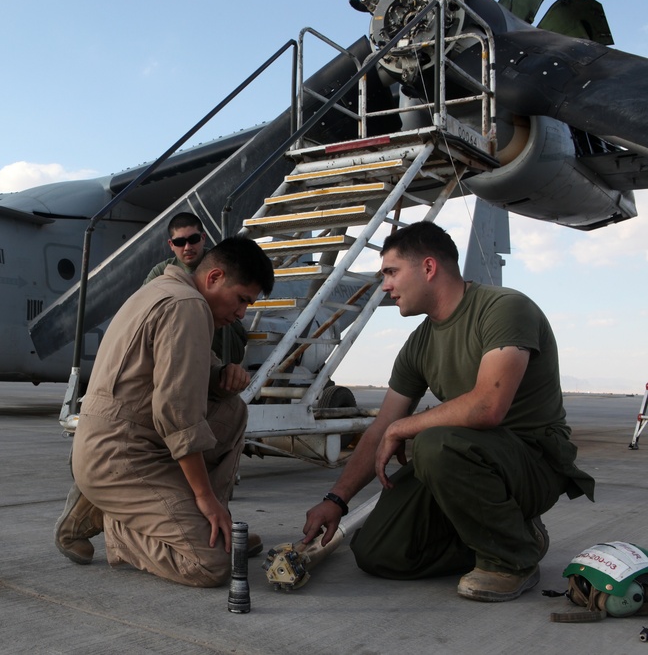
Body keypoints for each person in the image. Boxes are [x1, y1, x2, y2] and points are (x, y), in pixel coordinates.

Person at [300, 221, 595, 602]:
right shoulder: (419, 342)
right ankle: (509, 534)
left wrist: (407, 427)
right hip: (473, 461)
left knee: (434, 444)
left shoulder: (504, 309)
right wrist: (336, 499)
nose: (385, 285)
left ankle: (511, 559)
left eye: (391, 272)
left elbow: (488, 406)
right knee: (377, 552)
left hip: (532, 463)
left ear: (428, 267)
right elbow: (381, 429)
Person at [54, 237, 275, 587]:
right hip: (118, 454)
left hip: (120, 442)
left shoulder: (165, 289)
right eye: (242, 299)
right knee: (211, 565)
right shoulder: (187, 305)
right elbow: (177, 413)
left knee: (232, 411)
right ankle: (117, 519)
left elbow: (176, 374)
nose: (241, 314)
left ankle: (207, 526)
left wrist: (221, 376)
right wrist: (204, 497)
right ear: (214, 277)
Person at [143, 212, 248, 365]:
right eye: (179, 242)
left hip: (221, 337)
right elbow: (146, 309)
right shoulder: (161, 272)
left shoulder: (223, 265)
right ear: (171, 245)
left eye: (193, 239)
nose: (187, 247)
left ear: (203, 238)